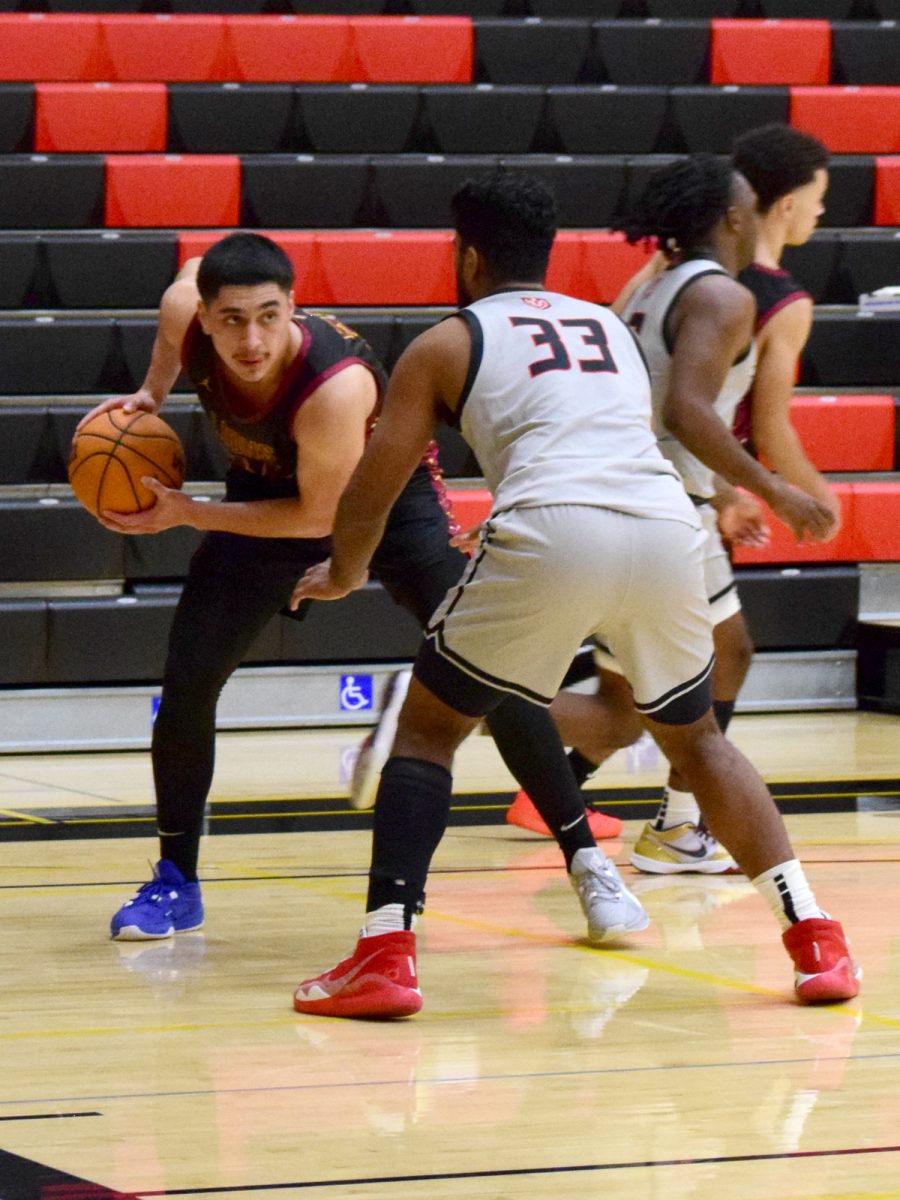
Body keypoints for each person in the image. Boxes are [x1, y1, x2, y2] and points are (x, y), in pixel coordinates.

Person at [289, 171, 859, 1018]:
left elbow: (382, 472)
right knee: (698, 741)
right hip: (665, 526)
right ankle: (815, 938)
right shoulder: (605, 325)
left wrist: (343, 569)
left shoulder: (447, 341)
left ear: (468, 256)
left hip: (556, 528)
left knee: (431, 727)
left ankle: (384, 952)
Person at [83, 232, 619, 941]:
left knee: (494, 672)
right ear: (204, 320)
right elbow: (183, 279)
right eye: (234, 319)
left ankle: (586, 860)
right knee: (187, 684)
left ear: (294, 308)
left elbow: (321, 516)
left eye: (270, 316)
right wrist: (153, 392)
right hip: (268, 486)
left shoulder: (334, 387)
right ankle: (176, 881)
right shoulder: (188, 309)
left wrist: (186, 513)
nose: (251, 338)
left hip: (386, 503)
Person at [515, 151, 840, 875]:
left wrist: (725, 493)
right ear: (731, 216)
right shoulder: (722, 296)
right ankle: (680, 825)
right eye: (749, 197)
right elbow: (686, 412)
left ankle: (679, 826)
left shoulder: (653, 284)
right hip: (662, 512)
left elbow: (657, 413)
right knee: (722, 661)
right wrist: (777, 489)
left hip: (643, 495)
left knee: (626, 706)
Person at [732, 123, 839, 527]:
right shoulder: (785, 304)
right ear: (788, 205)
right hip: (693, 480)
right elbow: (771, 431)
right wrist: (819, 494)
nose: (821, 211)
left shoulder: (673, 260)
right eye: (819, 199)